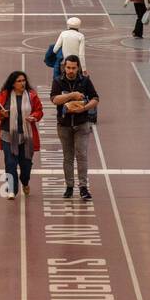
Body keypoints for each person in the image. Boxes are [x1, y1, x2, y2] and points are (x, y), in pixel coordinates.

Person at [50, 55, 100, 200]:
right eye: (68, 67)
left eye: (73, 68)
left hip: (82, 124)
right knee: (68, 157)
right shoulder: (58, 81)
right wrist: (72, 95)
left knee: (82, 155)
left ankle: (83, 187)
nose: (70, 71)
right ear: (64, 67)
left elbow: (95, 98)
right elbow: (54, 99)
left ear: (78, 68)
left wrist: (83, 108)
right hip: (64, 125)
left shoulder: (85, 81)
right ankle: (69, 186)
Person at [0, 71, 44, 200]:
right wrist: (1, 114)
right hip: (8, 135)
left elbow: (39, 110)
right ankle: (11, 189)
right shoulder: (4, 95)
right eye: (19, 81)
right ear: (13, 83)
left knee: (26, 165)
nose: (22, 83)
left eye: (24, 80)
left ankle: (25, 182)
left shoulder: (32, 96)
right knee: (10, 163)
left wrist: (34, 117)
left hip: (27, 136)